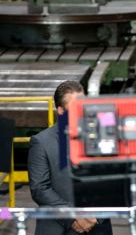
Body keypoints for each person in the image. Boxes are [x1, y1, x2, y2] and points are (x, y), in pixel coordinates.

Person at [29, 80, 110, 234]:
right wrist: (73, 217)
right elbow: (40, 188)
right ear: (60, 110)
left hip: (98, 225)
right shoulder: (42, 142)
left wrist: (95, 215)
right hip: (60, 228)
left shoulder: (101, 136)